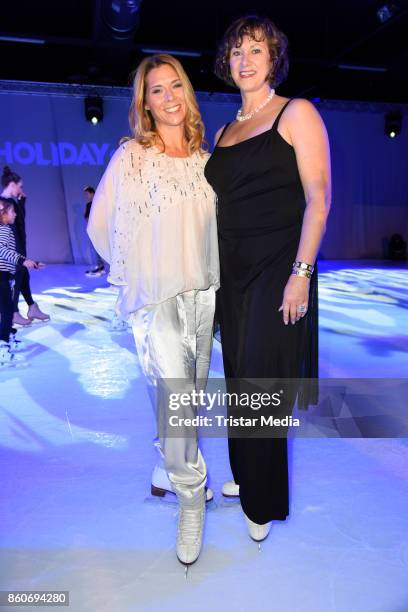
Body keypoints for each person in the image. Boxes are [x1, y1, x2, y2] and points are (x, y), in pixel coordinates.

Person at [87, 54, 220, 565]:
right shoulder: (133, 159)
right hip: (157, 300)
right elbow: (101, 227)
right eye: (156, 90)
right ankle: (191, 499)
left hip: (202, 298)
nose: (168, 97)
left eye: (175, 86)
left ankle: (171, 463)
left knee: (188, 402)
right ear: (144, 103)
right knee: (178, 403)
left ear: (187, 92)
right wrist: (139, 275)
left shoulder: (207, 163)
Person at [205, 15, 331, 541]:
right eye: (236, 52)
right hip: (229, 273)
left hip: (278, 270)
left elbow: (319, 201)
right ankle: (246, 472)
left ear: (272, 58)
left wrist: (300, 274)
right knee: (239, 380)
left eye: (255, 50)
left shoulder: (295, 112)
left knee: (260, 382)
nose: (245, 60)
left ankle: (264, 498)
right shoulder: (224, 130)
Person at [1, 166, 50, 325]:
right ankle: (14, 311)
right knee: (18, 276)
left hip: (16, 245)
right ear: (13, 185)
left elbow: (19, 224)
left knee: (24, 276)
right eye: (20, 186)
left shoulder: (7, 202)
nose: (21, 189)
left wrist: (21, 202)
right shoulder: (6, 204)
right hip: (13, 247)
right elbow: (16, 226)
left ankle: (31, 307)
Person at [0, 198, 43, 367]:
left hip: (4, 275)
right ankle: (3, 350)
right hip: (1, 275)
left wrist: (32, 262)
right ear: (3, 214)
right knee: (7, 312)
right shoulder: (3, 230)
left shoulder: (5, 229)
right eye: (12, 211)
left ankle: (8, 338)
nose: (15, 214)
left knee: (7, 311)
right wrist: (21, 261)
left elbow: (10, 252)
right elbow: (2, 250)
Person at [83, 186, 107, 276]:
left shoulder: (98, 203)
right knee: (95, 248)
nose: (86, 196)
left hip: (99, 229)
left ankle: (104, 267)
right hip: (93, 229)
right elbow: (86, 217)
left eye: (87, 194)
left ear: (92, 193)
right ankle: (100, 266)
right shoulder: (89, 204)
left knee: (101, 248)